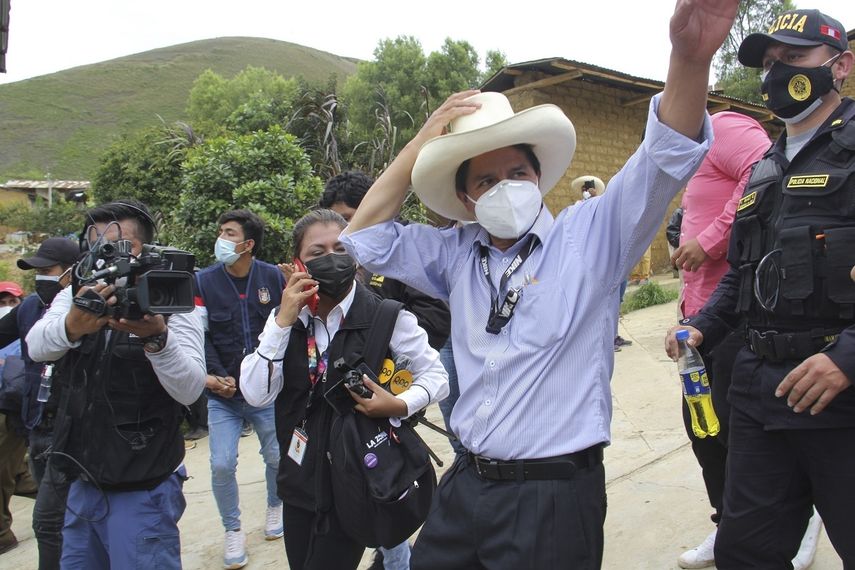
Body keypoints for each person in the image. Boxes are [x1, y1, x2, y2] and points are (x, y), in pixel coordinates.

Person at [340, 2, 738, 567]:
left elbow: (664, 153)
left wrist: (690, 58)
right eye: (485, 180)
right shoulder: (455, 253)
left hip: (552, 497)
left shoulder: (593, 237)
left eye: (517, 173)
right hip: (465, 485)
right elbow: (365, 236)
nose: (505, 187)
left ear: (538, 177)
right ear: (466, 201)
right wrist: (421, 142)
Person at [665, 9, 855, 568]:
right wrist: (703, 326)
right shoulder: (765, 168)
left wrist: (848, 357)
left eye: (793, 58)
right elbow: (745, 275)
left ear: (839, 66)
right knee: (745, 554)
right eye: (769, 63)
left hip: (839, 396)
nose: (776, 73)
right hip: (758, 393)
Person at [240, 209, 448, 570]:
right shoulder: (286, 320)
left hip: (354, 479)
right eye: (317, 253)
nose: (331, 259)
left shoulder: (386, 315)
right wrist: (282, 321)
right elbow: (256, 393)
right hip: (299, 479)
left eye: (340, 248)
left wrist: (399, 404)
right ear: (298, 263)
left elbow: (436, 376)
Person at [26, 199, 206, 569]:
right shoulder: (76, 292)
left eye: (121, 247)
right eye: (97, 248)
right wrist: (72, 326)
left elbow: (189, 388)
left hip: (143, 488)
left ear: (146, 250)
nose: (108, 258)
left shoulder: (172, 294)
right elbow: (36, 346)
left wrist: (158, 339)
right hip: (81, 481)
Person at [318, 171, 451, 570]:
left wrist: (381, 337)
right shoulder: (324, 261)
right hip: (333, 405)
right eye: (338, 220)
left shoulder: (400, 248)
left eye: (352, 218)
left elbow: (433, 314)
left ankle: (397, 551)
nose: (347, 233)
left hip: (391, 390)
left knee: (384, 481)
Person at [666, 112, 773, 569]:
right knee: (705, 433)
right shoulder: (689, 151)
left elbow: (766, 175)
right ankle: (725, 525)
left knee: (737, 436)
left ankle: (790, 519)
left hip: (737, 314)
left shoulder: (726, 127)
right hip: (700, 320)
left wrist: (710, 240)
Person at [194, 209, 285, 569]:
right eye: (220, 231)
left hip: (264, 392)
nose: (220, 238)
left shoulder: (272, 278)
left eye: (228, 233)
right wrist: (217, 376)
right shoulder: (202, 281)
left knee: (277, 456)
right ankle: (232, 530)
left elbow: (284, 329)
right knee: (220, 463)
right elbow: (199, 336)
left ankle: (276, 507)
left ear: (247, 244)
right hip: (222, 395)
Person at [0, 238, 79, 568]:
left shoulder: (86, 309)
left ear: (72, 273)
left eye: (47, 271)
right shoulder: (30, 307)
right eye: (36, 272)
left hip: (73, 431)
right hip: (38, 426)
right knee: (63, 520)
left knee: (48, 523)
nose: (40, 278)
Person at [0, 280, 25, 555]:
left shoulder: (26, 329)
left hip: (12, 406)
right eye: (1, 302)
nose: (6, 307)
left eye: (11, 302)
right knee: (18, 472)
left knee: (3, 469)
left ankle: (2, 534)